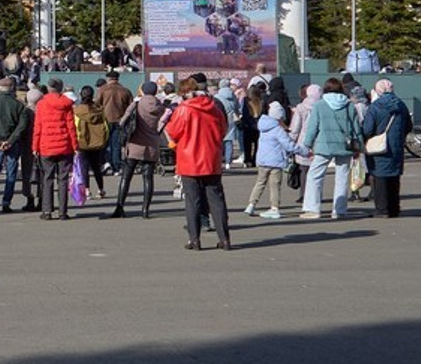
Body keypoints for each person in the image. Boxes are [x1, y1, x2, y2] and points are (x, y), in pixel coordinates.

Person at [163, 78, 231, 250]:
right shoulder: (214, 108)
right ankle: (224, 238)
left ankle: (195, 239)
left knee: (192, 201)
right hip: (211, 158)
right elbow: (223, 129)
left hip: (189, 159)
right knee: (217, 200)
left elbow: (173, 131)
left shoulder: (183, 109)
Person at [300, 76, 364, 220]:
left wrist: (307, 145)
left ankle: (313, 209)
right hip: (344, 145)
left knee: (315, 175)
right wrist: (359, 147)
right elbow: (356, 128)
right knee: (342, 177)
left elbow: (312, 127)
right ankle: (339, 210)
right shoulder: (349, 105)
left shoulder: (319, 105)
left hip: (324, 144)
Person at [106, 82, 164, 219]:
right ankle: (145, 210)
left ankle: (120, 207)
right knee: (148, 178)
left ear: (142, 91)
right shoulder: (160, 106)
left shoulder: (136, 104)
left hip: (134, 145)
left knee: (126, 177)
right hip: (151, 146)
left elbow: (122, 122)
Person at [243, 102, 307, 219]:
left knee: (260, 183)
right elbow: (289, 146)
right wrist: (304, 151)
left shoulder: (263, 127)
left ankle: (251, 204)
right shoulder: (278, 130)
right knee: (275, 185)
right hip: (276, 162)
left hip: (263, 161)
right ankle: (274, 208)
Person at [361, 79, 413, 216]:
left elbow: (367, 129)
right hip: (396, 146)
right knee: (394, 177)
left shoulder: (375, 107)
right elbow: (408, 126)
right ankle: (394, 208)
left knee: (380, 178)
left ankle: (382, 209)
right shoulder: (401, 105)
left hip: (378, 147)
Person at [33, 79, 78, 221]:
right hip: (64, 146)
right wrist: (75, 146)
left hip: (46, 146)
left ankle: (47, 211)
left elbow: (38, 127)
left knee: (47, 179)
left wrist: (35, 146)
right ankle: (62, 212)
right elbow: (71, 127)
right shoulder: (66, 104)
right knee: (63, 180)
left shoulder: (41, 104)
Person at [0, 77, 29, 213]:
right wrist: (10, 140)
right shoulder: (18, 105)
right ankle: (6, 202)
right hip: (12, 142)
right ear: (12, 88)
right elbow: (22, 125)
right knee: (11, 173)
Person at [72, 85, 110, 198]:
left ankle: (87, 190)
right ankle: (101, 189)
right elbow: (106, 127)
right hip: (97, 142)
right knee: (96, 167)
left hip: (82, 142)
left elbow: (75, 127)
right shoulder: (99, 110)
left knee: (84, 167)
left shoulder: (77, 111)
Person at [95, 70, 133, 175]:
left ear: (108, 79)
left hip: (105, 120)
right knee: (116, 145)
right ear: (118, 78)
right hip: (120, 120)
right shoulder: (125, 91)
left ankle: (104, 164)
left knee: (103, 145)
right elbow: (131, 107)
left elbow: (96, 104)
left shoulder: (102, 90)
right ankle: (116, 167)